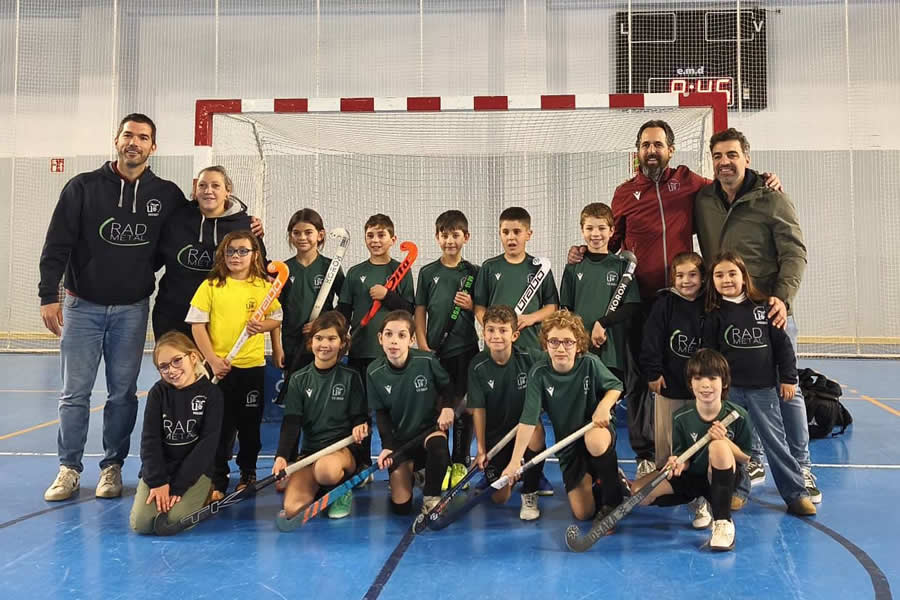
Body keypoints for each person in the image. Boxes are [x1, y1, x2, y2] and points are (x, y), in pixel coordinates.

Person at [566, 121, 782, 480]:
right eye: (646, 145)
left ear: (671, 149)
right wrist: (581, 251)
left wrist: (762, 179)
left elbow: (731, 184)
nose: (652, 151)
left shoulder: (688, 182)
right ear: (637, 152)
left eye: (659, 145)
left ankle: (695, 447)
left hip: (684, 297)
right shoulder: (623, 193)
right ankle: (645, 453)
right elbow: (612, 241)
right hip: (640, 300)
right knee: (640, 378)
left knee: (690, 373)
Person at [40, 113, 186, 502]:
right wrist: (47, 296)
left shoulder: (167, 195)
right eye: (128, 135)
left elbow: (201, 222)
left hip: (132, 310)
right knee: (74, 394)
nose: (133, 142)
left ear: (153, 146)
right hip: (81, 307)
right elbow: (57, 245)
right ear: (116, 140)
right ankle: (69, 468)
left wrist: (245, 221)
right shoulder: (83, 187)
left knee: (122, 394)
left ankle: (112, 467)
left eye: (142, 137)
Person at [694, 127, 819, 503]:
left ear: (747, 157)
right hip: (725, 314)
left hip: (769, 312)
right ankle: (753, 461)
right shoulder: (703, 199)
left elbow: (794, 252)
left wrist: (783, 297)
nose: (724, 162)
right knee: (737, 392)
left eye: (732, 155)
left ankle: (802, 467)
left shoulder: (771, 198)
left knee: (786, 390)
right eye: (717, 156)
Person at [702, 252, 815, 516]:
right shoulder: (714, 314)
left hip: (764, 390)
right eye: (719, 275)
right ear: (712, 281)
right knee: (738, 446)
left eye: (732, 273)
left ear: (744, 277)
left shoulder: (764, 307)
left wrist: (788, 378)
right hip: (730, 394)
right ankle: (738, 490)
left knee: (776, 443)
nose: (726, 279)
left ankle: (796, 493)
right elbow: (709, 354)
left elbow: (783, 348)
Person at [502, 310, 625, 522]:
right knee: (583, 514)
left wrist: (604, 406)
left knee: (595, 441)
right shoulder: (539, 373)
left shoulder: (589, 363)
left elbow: (616, 386)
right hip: (567, 446)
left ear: (578, 344)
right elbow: (528, 420)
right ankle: (600, 479)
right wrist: (514, 462)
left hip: (594, 432)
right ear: (545, 344)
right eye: (554, 341)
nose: (561, 348)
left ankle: (612, 500)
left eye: (568, 342)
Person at [186, 231, 283, 501]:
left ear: (254, 255)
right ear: (222, 255)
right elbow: (197, 325)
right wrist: (213, 361)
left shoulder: (263, 286)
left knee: (250, 425)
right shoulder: (211, 286)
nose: (236, 256)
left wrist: (262, 326)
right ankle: (218, 478)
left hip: (251, 368)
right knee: (220, 425)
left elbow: (277, 317)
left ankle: (248, 472)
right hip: (220, 368)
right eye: (230, 251)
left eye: (242, 251)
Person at [634, 349, 751, 552]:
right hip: (692, 477)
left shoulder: (737, 415)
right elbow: (683, 457)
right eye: (698, 378)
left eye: (712, 378)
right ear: (691, 383)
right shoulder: (681, 417)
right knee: (640, 494)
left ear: (723, 382)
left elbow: (746, 457)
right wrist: (678, 462)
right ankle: (698, 501)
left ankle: (723, 522)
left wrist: (725, 441)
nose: (705, 384)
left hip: (721, 479)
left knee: (719, 447)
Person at [273, 312, 368, 521]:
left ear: (342, 343)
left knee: (326, 470)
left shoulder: (351, 377)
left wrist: (359, 425)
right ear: (311, 341)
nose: (324, 344)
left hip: (341, 452)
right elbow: (291, 423)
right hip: (310, 453)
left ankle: (341, 490)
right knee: (292, 510)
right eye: (319, 338)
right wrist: (282, 456)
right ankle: (321, 488)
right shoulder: (299, 379)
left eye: (332, 339)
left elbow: (359, 416)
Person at [338, 213, 415, 470]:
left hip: (392, 355)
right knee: (360, 411)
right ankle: (361, 464)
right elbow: (344, 310)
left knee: (393, 410)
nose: (375, 240)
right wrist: (341, 335)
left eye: (381, 235)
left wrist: (387, 295)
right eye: (370, 235)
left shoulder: (401, 270)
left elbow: (409, 309)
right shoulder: (355, 272)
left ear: (393, 239)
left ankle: (398, 460)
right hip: (360, 350)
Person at [129, 332, 223, 534]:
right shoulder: (158, 393)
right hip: (162, 470)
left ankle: (205, 491)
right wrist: (158, 482)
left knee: (175, 521)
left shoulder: (211, 394)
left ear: (193, 357)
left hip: (194, 472)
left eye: (177, 361)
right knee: (142, 524)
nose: (171, 370)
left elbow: (206, 447)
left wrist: (179, 487)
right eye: (163, 366)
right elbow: (150, 441)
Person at [153, 165, 261, 340]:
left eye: (215, 186)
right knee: (176, 367)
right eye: (202, 185)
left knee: (216, 368)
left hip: (223, 320)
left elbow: (259, 269)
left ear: (228, 191)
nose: (208, 191)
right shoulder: (175, 221)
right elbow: (153, 258)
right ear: (196, 190)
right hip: (174, 316)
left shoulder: (246, 226)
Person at [414, 210, 480, 490]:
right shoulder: (428, 273)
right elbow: (419, 311)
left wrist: (471, 306)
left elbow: (483, 311)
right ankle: (431, 462)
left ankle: (459, 462)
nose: (449, 240)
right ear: (436, 236)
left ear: (466, 237)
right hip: (434, 353)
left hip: (465, 350)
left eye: (455, 235)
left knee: (463, 408)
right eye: (444, 235)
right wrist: (422, 344)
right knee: (436, 407)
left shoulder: (474, 273)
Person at [367, 311, 454, 516]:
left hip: (429, 431)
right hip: (401, 442)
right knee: (401, 507)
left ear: (412, 339)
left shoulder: (426, 361)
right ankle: (416, 476)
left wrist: (447, 408)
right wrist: (388, 446)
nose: (394, 341)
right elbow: (381, 414)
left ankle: (431, 498)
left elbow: (447, 387)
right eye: (388, 334)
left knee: (439, 449)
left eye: (401, 335)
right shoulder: (373, 371)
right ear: (380, 339)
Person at [467, 305, 546, 519]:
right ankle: (514, 471)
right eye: (491, 330)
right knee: (499, 498)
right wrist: (481, 449)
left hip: (524, 429)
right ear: (484, 333)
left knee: (537, 431)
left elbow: (557, 362)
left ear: (515, 335)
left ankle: (530, 492)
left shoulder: (530, 358)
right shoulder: (477, 365)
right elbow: (479, 410)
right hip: (497, 438)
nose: (496, 336)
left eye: (503, 330)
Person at [559, 202, 639, 385]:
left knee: (608, 405)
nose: (595, 234)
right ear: (582, 230)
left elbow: (632, 305)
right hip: (580, 349)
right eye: (590, 228)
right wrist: (574, 338)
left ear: (611, 231)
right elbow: (566, 308)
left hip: (611, 351)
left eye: (602, 228)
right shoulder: (573, 267)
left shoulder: (621, 266)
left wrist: (602, 323)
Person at [473, 206, 559, 353]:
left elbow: (552, 307)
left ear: (528, 234)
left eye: (517, 232)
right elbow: (479, 307)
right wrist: (493, 330)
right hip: (497, 348)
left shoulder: (540, 268)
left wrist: (531, 318)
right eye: (505, 232)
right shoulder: (489, 267)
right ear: (500, 234)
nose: (511, 237)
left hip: (531, 345)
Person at [277, 208, 345, 387]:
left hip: (323, 343)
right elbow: (274, 313)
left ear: (320, 235)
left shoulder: (331, 267)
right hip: (292, 344)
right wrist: (278, 348)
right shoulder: (284, 269)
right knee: (295, 394)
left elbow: (345, 306)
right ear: (290, 236)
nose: (302, 237)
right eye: (296, 233)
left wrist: (323, 324)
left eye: (308, 232)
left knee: (322, 392)